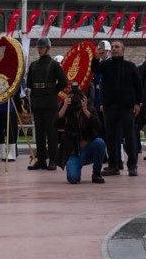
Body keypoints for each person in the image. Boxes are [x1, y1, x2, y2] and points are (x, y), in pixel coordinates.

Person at [93, 41, 143, 177]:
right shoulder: (105, 65)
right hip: (109, 107)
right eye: (113, 47)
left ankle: (132, 166)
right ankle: (113, 165)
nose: (114, 49)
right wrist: (96, 57)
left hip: (126, 107)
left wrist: (138, 103)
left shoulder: (130, 66)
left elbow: (138, 86)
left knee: (130, 136)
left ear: (123, 50)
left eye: (117, 47)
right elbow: (95, 70)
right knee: (110, 137)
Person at [23, 39, 63, 170]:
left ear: (48, 48)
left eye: (42, 47)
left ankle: (53, 160)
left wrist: (52, 91)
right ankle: (41, 160)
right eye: (39, 47)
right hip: (37, 102)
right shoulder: (34, 65)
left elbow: (63, 82)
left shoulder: (54, 65)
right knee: (39, 134)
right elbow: (29, 84)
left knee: (51, 133)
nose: (40, 49)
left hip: (50, 103)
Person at [55, 84, 106, 184]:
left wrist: (86, 110)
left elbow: (98, 126)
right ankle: (77, 166)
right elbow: (56, 123)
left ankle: (96, 173)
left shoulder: (88, 109)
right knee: (73, 178)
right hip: (73, 151)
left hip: (88, 148)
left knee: (100, 142)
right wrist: (65, 106)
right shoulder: (66, 109)